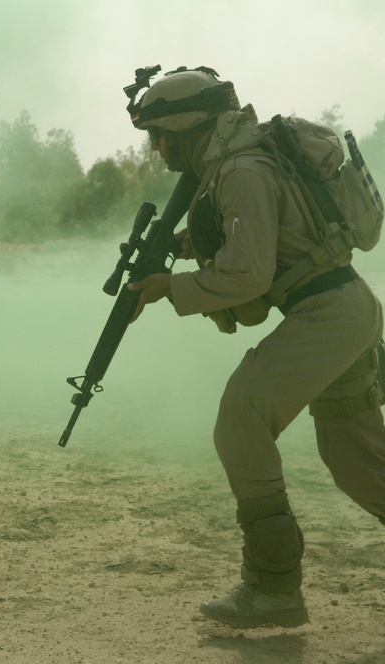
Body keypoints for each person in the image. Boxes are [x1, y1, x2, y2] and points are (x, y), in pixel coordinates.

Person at [125, 66, 385, 628]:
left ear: (185, 127)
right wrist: (184, 243)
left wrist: (172, 286)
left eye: (159, 136)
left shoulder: (240, 169)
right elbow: (269, 232)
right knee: (357, 463)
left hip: (327, 315)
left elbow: (247, 274)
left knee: (241, 416)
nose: (158, 149)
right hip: (342, 309)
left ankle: (273, 592)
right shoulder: (244, 160)